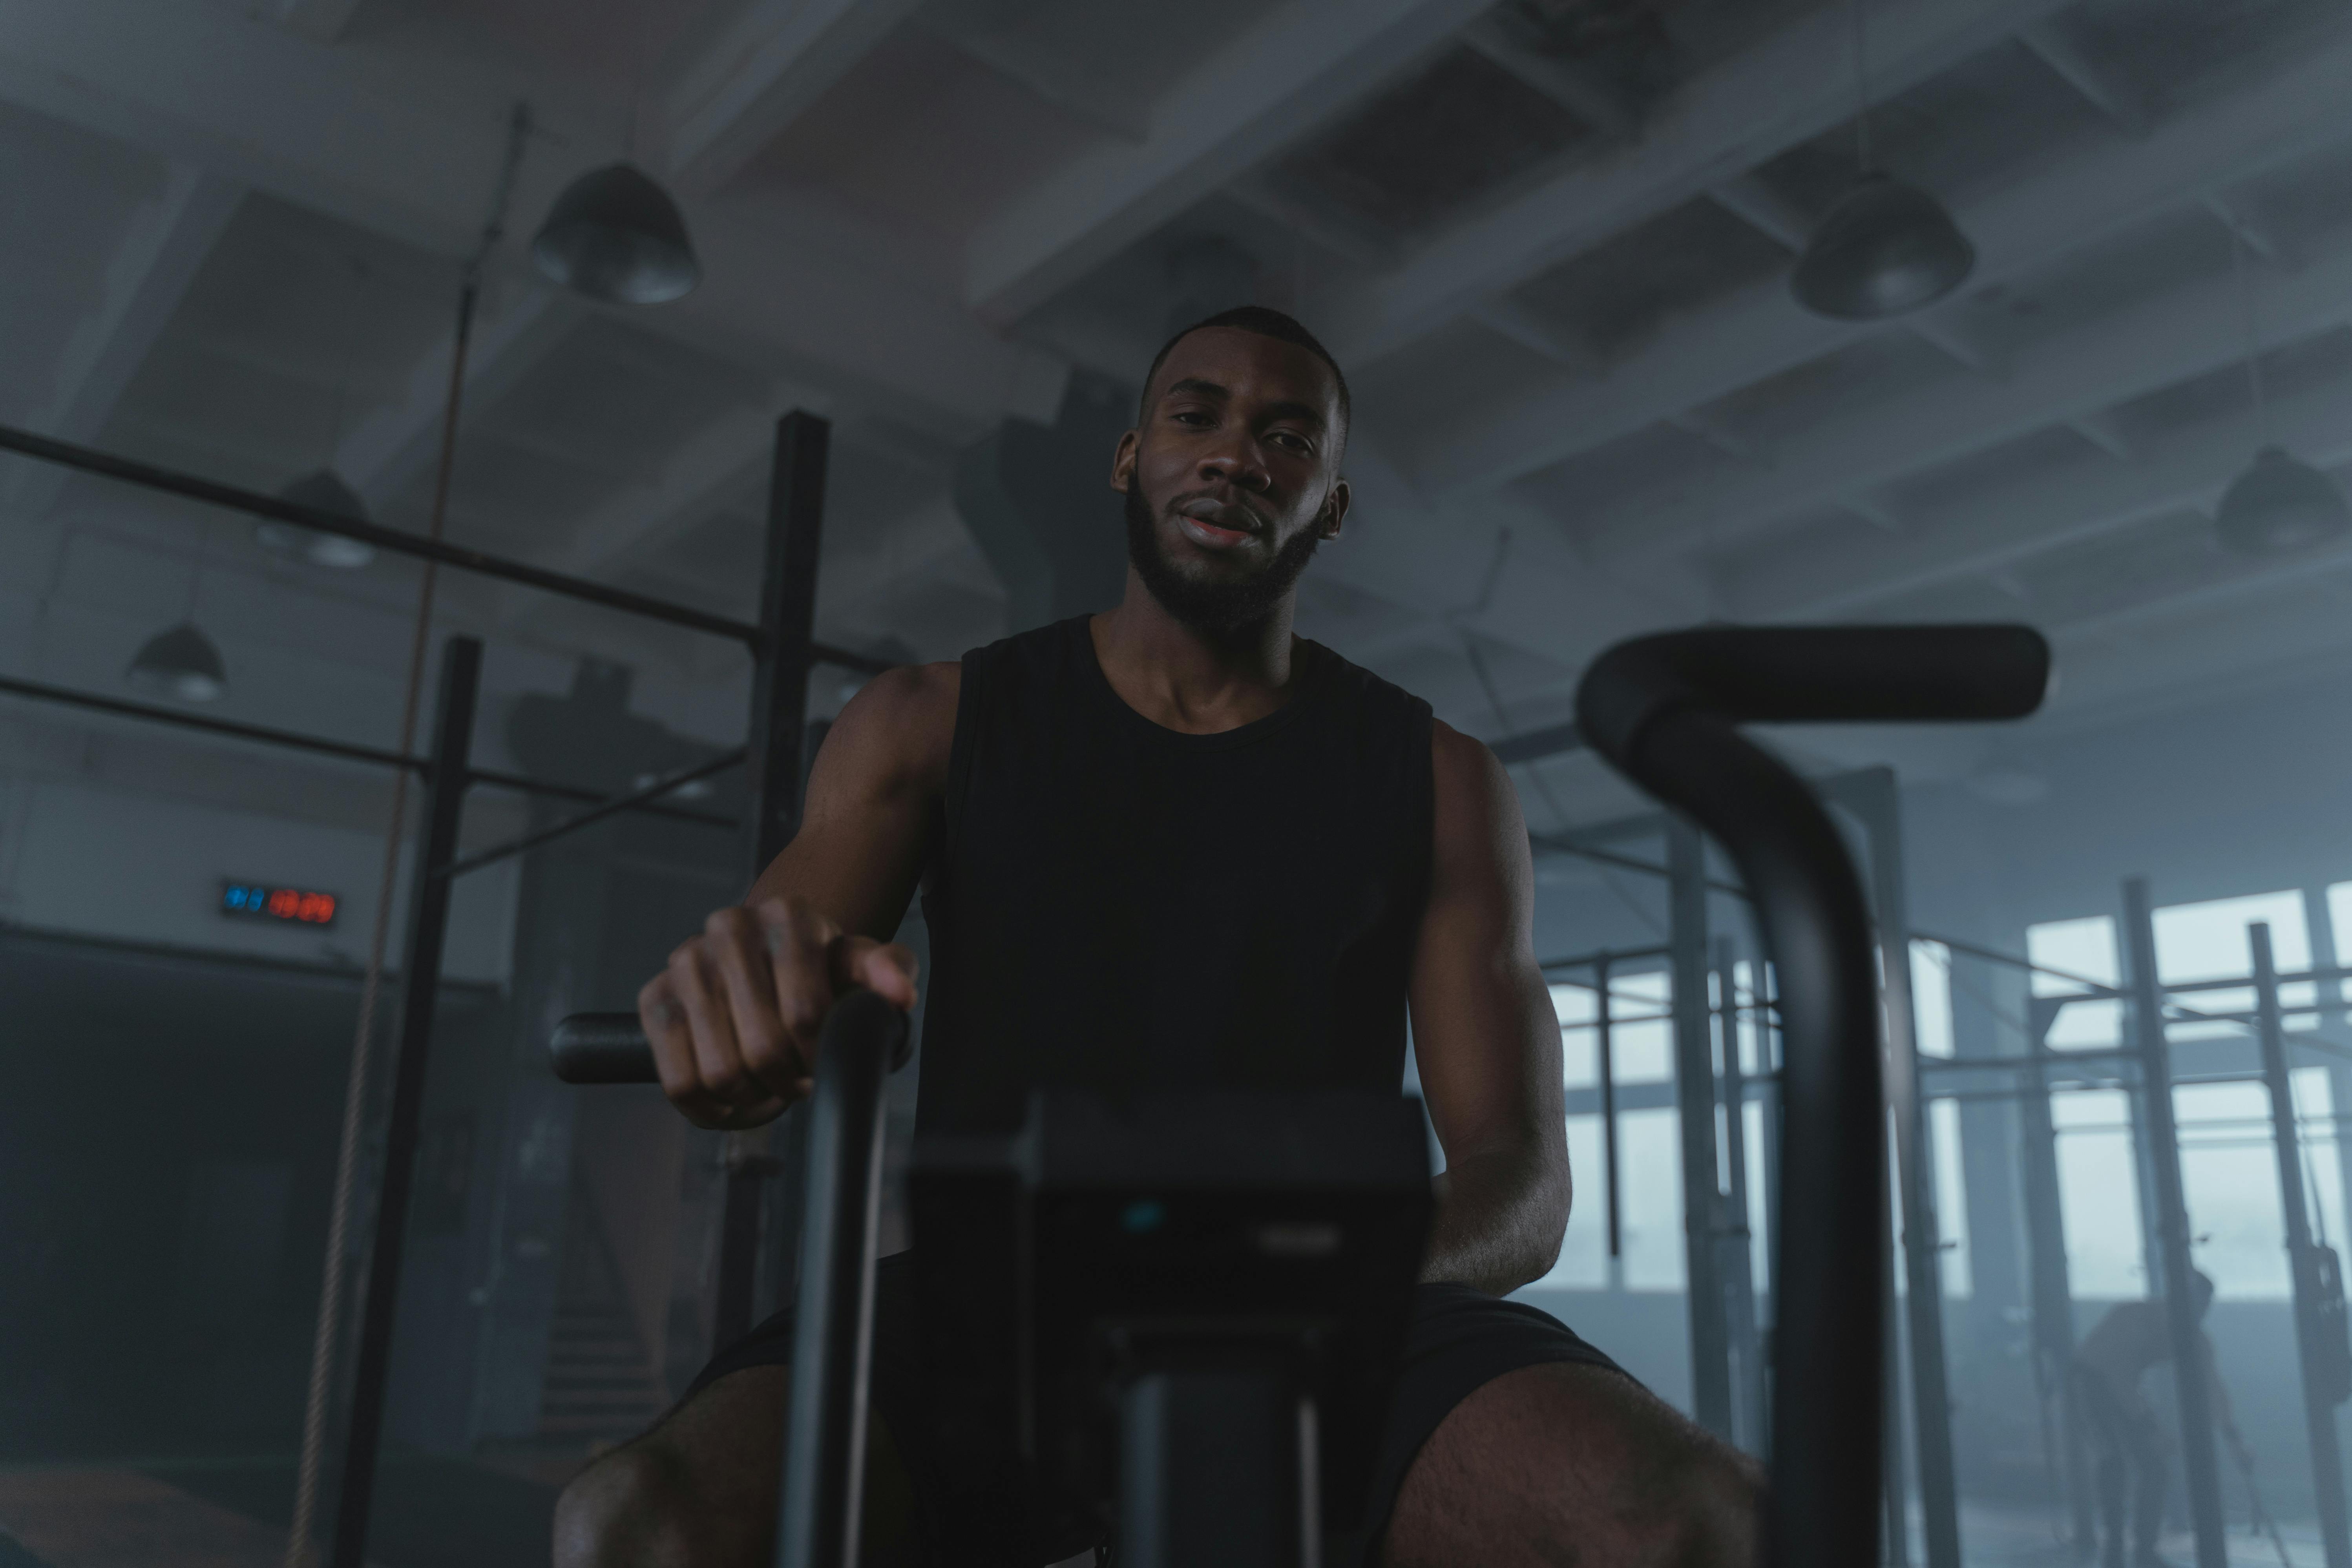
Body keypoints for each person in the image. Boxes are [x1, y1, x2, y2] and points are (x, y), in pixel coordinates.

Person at [553, 306, 1760, 1568]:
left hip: (1322, 1301)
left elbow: (1520, 1179)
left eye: (1286, 438)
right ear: (1131, 455)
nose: (1237, 453)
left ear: (1329, 506)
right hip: (992, 1299)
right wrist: (736, 1009)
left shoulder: (1440, 778)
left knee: (1694, 1521)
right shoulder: (922, 720)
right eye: (1197, 415)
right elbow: (778, 955)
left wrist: (1291, 1279)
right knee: (637, 1525)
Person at [2070, 1270, 2242, 1568]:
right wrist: (2149, 1427)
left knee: (2155, 1467)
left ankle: (2143, 1549)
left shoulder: (2194, 1338)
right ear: (2177, 1300)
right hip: (2087, 1384)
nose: (2200, 1313)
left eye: (2205, 1307)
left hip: (2121, 1388)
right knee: (2113, 1460)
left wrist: (2234, 1437)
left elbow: (2214, 1387)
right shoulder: (2132, 1319)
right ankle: (2115, 1545)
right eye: (2196, 1305)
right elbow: (2117, 1376)